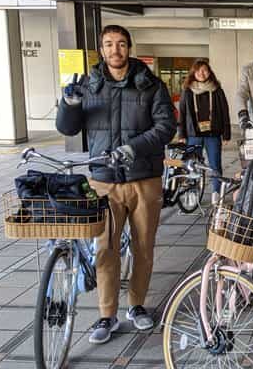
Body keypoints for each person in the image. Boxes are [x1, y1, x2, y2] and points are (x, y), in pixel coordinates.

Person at [56, 25, 176, 344]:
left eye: (121, 44)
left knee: (143, 247)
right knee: (105, 249)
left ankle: (136, 306)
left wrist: (134, 147)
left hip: (144, 179)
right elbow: (68, 129)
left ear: (129, 48)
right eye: (109, 45)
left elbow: (167, 127)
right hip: (104, 181)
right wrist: (68, 103)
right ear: (102, 50)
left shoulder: (151, 85)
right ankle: (106, 314)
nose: (115, 50)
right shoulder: (90, 86)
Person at [177, 59, 231, 205]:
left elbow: (224, 111)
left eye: (205, 70)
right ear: (194, 72)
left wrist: (226, 133)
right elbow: (182, 113)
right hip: (193, 135)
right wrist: (181, 134)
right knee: (193, 166)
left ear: (210, 72)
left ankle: (216, 193)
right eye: (199, 70)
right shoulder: (187, 90)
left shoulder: (216, 89)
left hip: (212, 134)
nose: (202, 73)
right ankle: (193, 192)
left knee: (215, 164)